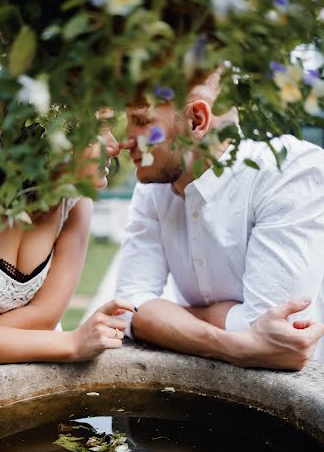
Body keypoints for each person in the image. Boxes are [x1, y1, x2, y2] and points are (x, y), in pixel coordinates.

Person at [116, 69, 324, 370]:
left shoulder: (290, 171)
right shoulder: (153, 190)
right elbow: (126, 308)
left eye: (141, 122)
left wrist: (169, 316)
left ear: (197, 120)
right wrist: (233, 344)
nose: (125, 141)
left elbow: (279, 332)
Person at [0, 120, 135, 365]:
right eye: (99, 130)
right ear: (53, 135)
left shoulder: (76, 202)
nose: (115, 146)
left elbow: (46, 317)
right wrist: (72, 343)